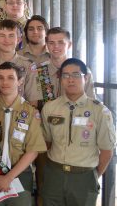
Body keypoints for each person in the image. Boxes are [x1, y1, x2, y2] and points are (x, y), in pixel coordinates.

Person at [41, 58, 116, 206]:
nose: (70, 80)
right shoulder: (50, 108)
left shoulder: (99, 111)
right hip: (54, 175)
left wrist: (92, 176)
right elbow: (47, 144)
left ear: (86, 78)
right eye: (65, 75)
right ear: (60, 79)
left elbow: (107, 150)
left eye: (76, 75)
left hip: (84, 177)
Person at [0, 62, 46, 206]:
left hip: (20, 175)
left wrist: (8, 178)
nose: (5, 82)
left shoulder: (31, 112)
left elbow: (33, 150)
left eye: (11, 78)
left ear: (20, 81)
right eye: (1, 78)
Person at [0, 19, 42, 105]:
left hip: (21, 115)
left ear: (18, 39)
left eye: (11, 36)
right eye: (2, 36)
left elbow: (33, 102)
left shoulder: (28, 66)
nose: (6, 40)